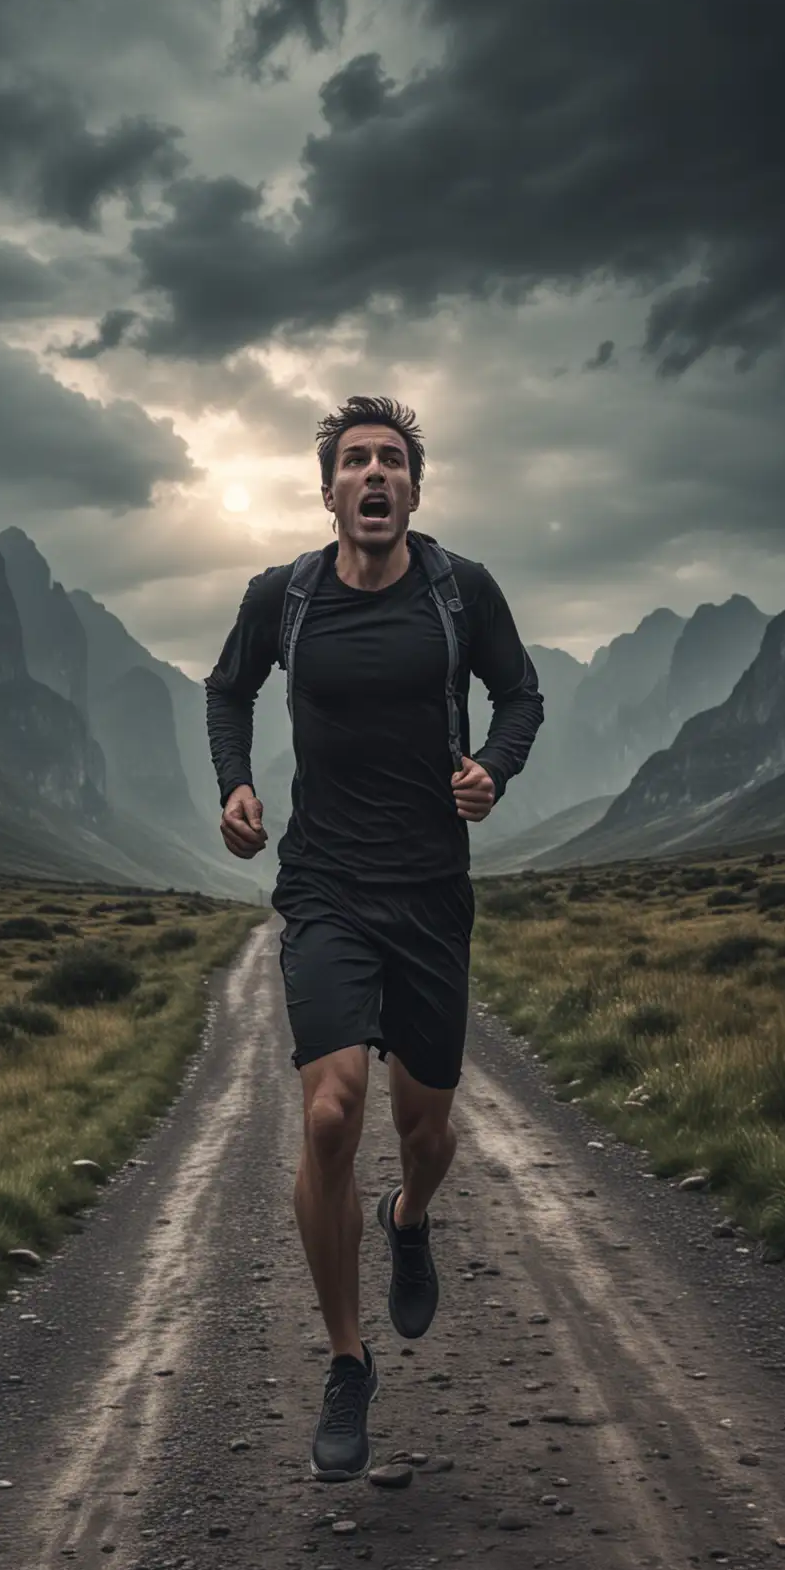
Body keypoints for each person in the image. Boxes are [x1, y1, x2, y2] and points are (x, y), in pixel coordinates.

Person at [205, 396, 543, 1482]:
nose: (373, 476)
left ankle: (409, 1216)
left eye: (391, 460)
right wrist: (237, 784)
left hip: (432, 893)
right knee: (332, 1110)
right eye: (355, 461)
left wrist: (495, 765)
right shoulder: (285, 598)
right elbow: (227, 691)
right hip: (327, 889)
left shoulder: (460, 592)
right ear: (329, 489)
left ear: (414, 488)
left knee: (428, 1132)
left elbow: (521, 695)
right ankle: (347, 1361)